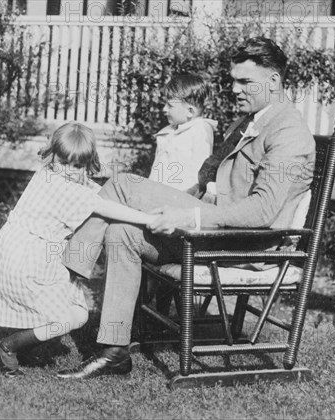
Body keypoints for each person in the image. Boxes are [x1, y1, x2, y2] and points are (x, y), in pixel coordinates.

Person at [57, 37, 316, 380]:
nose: (234, 89)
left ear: (274, 82)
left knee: (123, 185)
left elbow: (263, 212)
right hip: (215, 230)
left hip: (245, 243)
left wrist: (189, 216)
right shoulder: (251, 121)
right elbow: (208, 175)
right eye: (233, 80)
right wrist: (179, 201)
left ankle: (63, 279)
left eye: (244, 82)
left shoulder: (289, 133)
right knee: (122, 232)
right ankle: (114, 351)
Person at [0, 121, 155, 377]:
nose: (70, 171)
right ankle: (6, 347)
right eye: (65, 163)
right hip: (27, 259)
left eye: (78, 166)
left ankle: (20, 342)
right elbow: (103, 205)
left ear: (86, 164)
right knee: (62, 319)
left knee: (77, 315)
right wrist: (149, 219)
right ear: (53, 157)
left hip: (21, 251)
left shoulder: (47, 173)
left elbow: (94, 184)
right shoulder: (62, 186)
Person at [148, 74, 217, 191]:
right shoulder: (168, 132)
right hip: (155, 192)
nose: (164, 109)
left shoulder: (200, 130)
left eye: (170, 106)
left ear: (190, 111)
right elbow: (156, 168)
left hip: (180, 196)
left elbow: (200, 171)